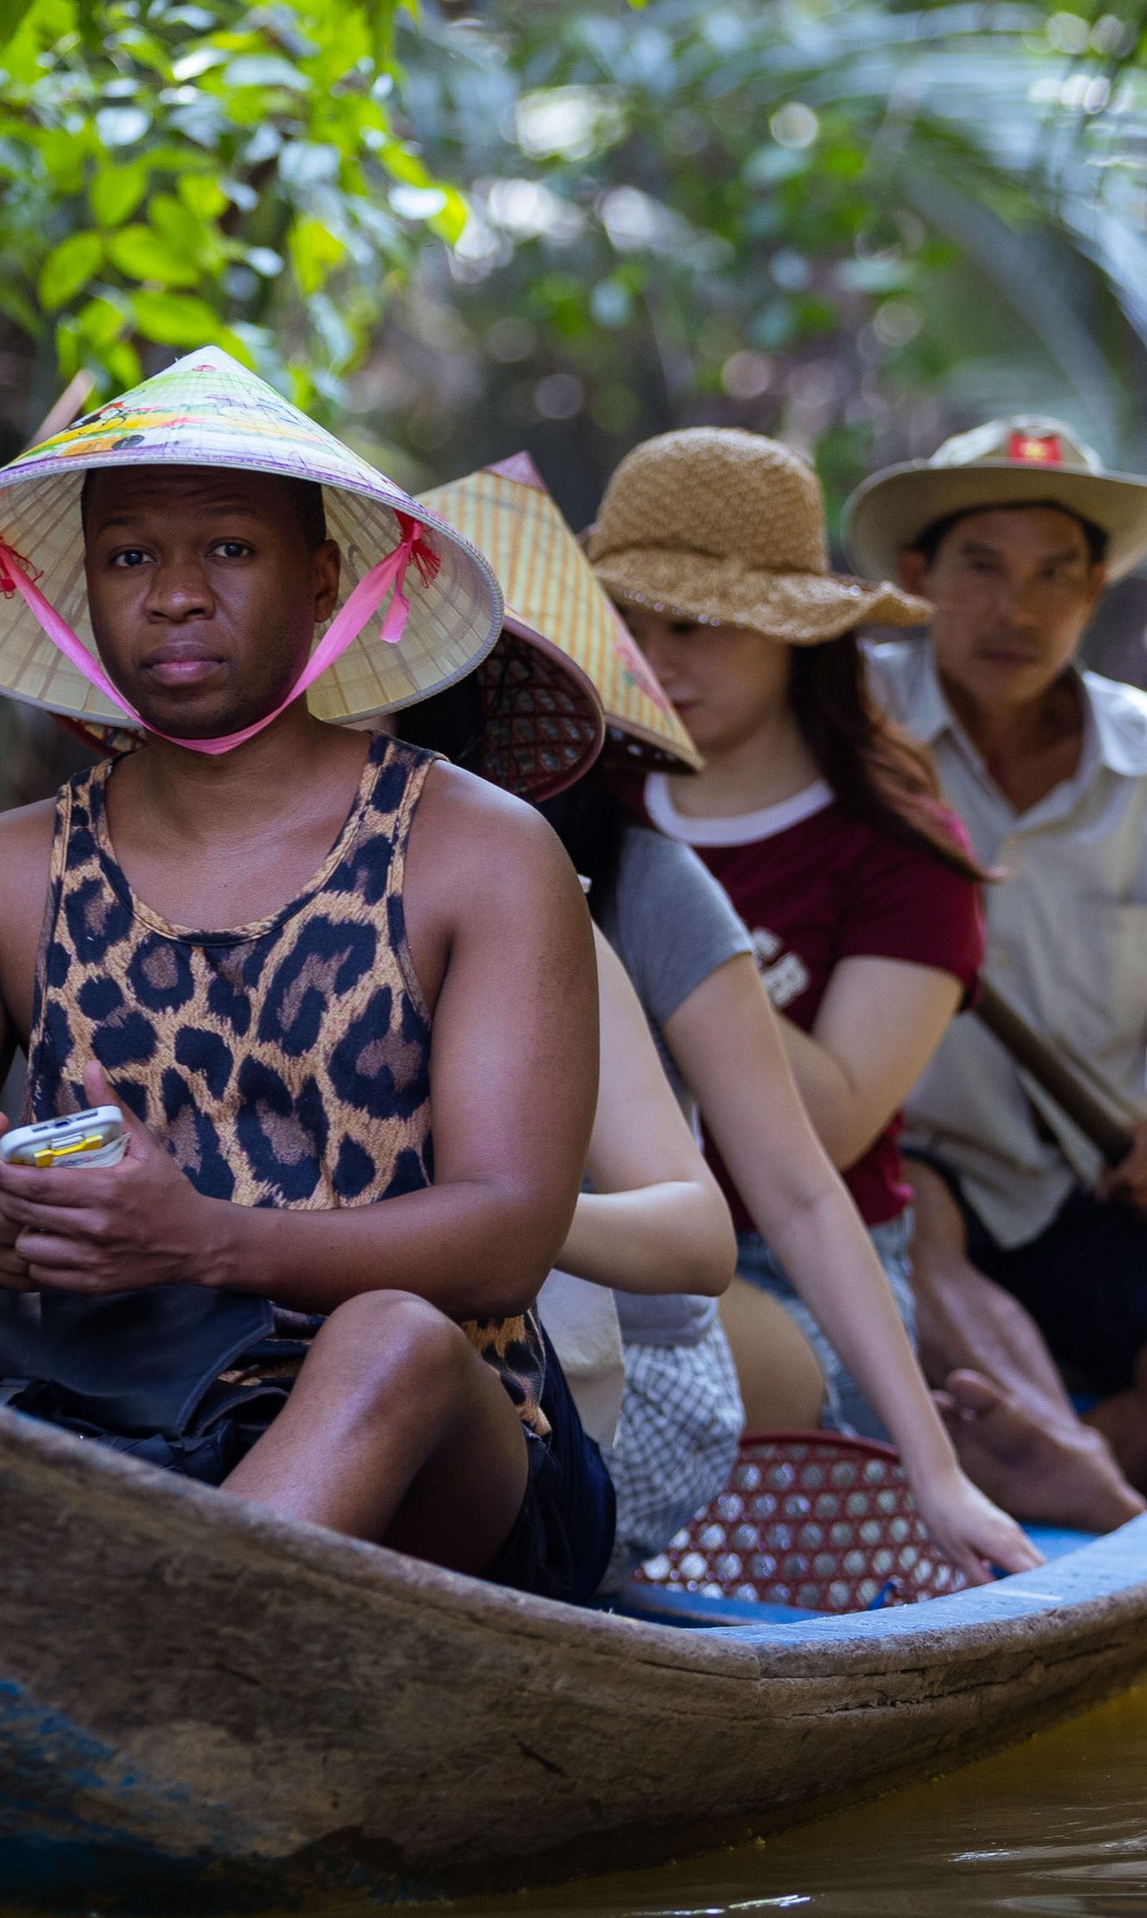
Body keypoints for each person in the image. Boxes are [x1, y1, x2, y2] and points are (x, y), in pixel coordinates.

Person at [0, 346, 614, 1603]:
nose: (174, 595)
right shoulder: (8, 872)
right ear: (84, 594)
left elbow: (504, 1242)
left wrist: (207, 1242)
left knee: (391, 1345)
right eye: (128, 557)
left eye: (228, 549)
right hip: (91, 1400)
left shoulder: (476, 850)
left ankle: (164, 1651)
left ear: (322, 581)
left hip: (426, 1453)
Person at [404, 458, 1038, 1583]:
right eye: (638, 627)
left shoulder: (639, 864)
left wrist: (932, 1473)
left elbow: (807, 1176)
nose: (665, 657)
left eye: (696, 626)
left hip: (727, 1292)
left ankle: (1022, 1457)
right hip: (504, 1274)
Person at [841, 414, 1147, 1509]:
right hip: (896, 1169)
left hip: (1084, 1180)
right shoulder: (844, 723)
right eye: (981, 568)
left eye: (1054, 576)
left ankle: (1059, 1485)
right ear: (917, 576)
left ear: (1093, 593)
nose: (1016, 609)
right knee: (924, 1230)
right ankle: (1069, 1480)